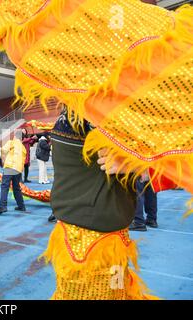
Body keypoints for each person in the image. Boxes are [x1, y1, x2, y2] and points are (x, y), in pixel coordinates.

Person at [42, 109, 154, 299]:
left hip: (110, 245)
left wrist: (141, 165)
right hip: (92, 246)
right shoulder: (95, 111)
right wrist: (142, 166)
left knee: (116, 290)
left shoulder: (99, 110)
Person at [0, 130, 27, 215]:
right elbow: (23, 160)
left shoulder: (11, 142)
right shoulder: (23, 148)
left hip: (10, 167)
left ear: (15, 136)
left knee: (5, 186)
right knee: (16, 188)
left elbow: (3, 150)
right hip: (18, 169)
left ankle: (3, 206)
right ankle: (21, 206)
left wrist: (4, 160)